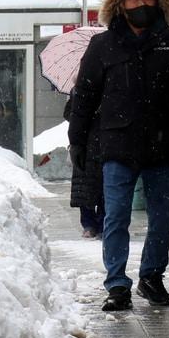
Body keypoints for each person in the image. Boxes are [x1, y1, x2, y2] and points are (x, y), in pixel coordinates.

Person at [68, 0, 169, 311]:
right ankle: (117, 284)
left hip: (160, 144)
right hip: (116, 145)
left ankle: (152, 276)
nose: (142, 4)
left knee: (163, 216)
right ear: (121, 6)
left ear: (159, 3)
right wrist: (78, 141)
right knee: (116, 215)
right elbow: (84, 95)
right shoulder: (102, 46)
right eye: (134, 0)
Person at [63, 98, 103, 239]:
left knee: (102, 190)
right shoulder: (80, 91)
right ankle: (90, 225)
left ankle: (99, 224)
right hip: (85, 148)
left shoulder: (108, 88)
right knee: (85, 190)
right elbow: (68, 114)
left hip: (99, 146)